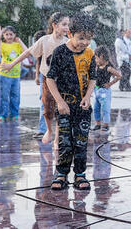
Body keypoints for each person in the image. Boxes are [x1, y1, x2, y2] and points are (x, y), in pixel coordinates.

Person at [1, 12, 69, 144]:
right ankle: (48, 130)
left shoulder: (67, 43)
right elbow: (28, 52)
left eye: (68, 25)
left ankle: (56, 138)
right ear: (55, 25)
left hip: (62, 81)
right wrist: (11, 64)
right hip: (47, 79)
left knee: (60, 108)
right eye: (64, 24)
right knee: (47, 107)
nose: (67, 27)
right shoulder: (45, 40)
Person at [46, 12, 96, 190]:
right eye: (81, 38)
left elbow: (92, 78)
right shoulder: (60, 52)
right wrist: (59, 102)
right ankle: (61, 174)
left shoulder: (90, 54)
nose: (84, 42)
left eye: (88, 38)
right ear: (70, 34)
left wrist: (87, 97)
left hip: (83, 107)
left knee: (81, 141)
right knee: (65, 142)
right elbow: (50, 79)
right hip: (65, 106)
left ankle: (80, 174)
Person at [0, 26, 27, 122]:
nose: (9, 36)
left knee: (15, 96)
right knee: (4, 96)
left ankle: (15, 114)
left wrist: (20, 41)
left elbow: (27, 52)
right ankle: (2, 115)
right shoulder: (3, 45)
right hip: (5, 74)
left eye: (11, 34)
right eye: (7, 34)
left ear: (15, 35)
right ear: (4, 35)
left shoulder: (17, 45)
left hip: (16, 75)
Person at [92, 45, 122, 132]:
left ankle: (105, 125)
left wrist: (110, 84)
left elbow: (119, 76)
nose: (95, 60)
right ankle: (98, 124)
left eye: (97, 58)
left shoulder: (108, 68)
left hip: (104, 91)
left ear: (103, 57)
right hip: (96, 90)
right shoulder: (96, 67)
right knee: (96, 108)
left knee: (105, 108)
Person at [32, 30, 47, 139]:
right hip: (44, 76)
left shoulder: (52, 45)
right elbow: (38, 62)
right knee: (44, 102)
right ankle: (42, 129)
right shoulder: (40, 52)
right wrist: (37, 76)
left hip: (54, 77)